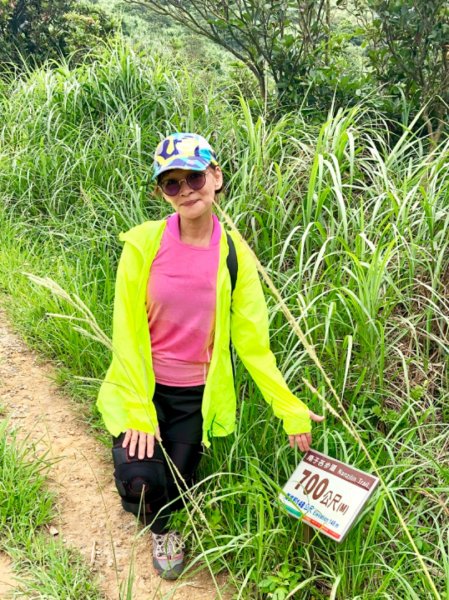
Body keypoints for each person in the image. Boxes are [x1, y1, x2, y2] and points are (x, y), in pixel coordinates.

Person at [96, 132, 324, 580]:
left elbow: (255, 344)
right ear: (162, 192)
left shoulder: (236, 255)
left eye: (194, 177)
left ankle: (168, 510)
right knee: (142, 482)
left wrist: (290, 409)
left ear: (215, 177)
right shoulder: (143, 245)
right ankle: (157, 521)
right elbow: (125, 332)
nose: (186, 191)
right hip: (140, 387)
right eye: (172, 184)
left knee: (178, 486)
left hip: (194, 398)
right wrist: (140, 412)